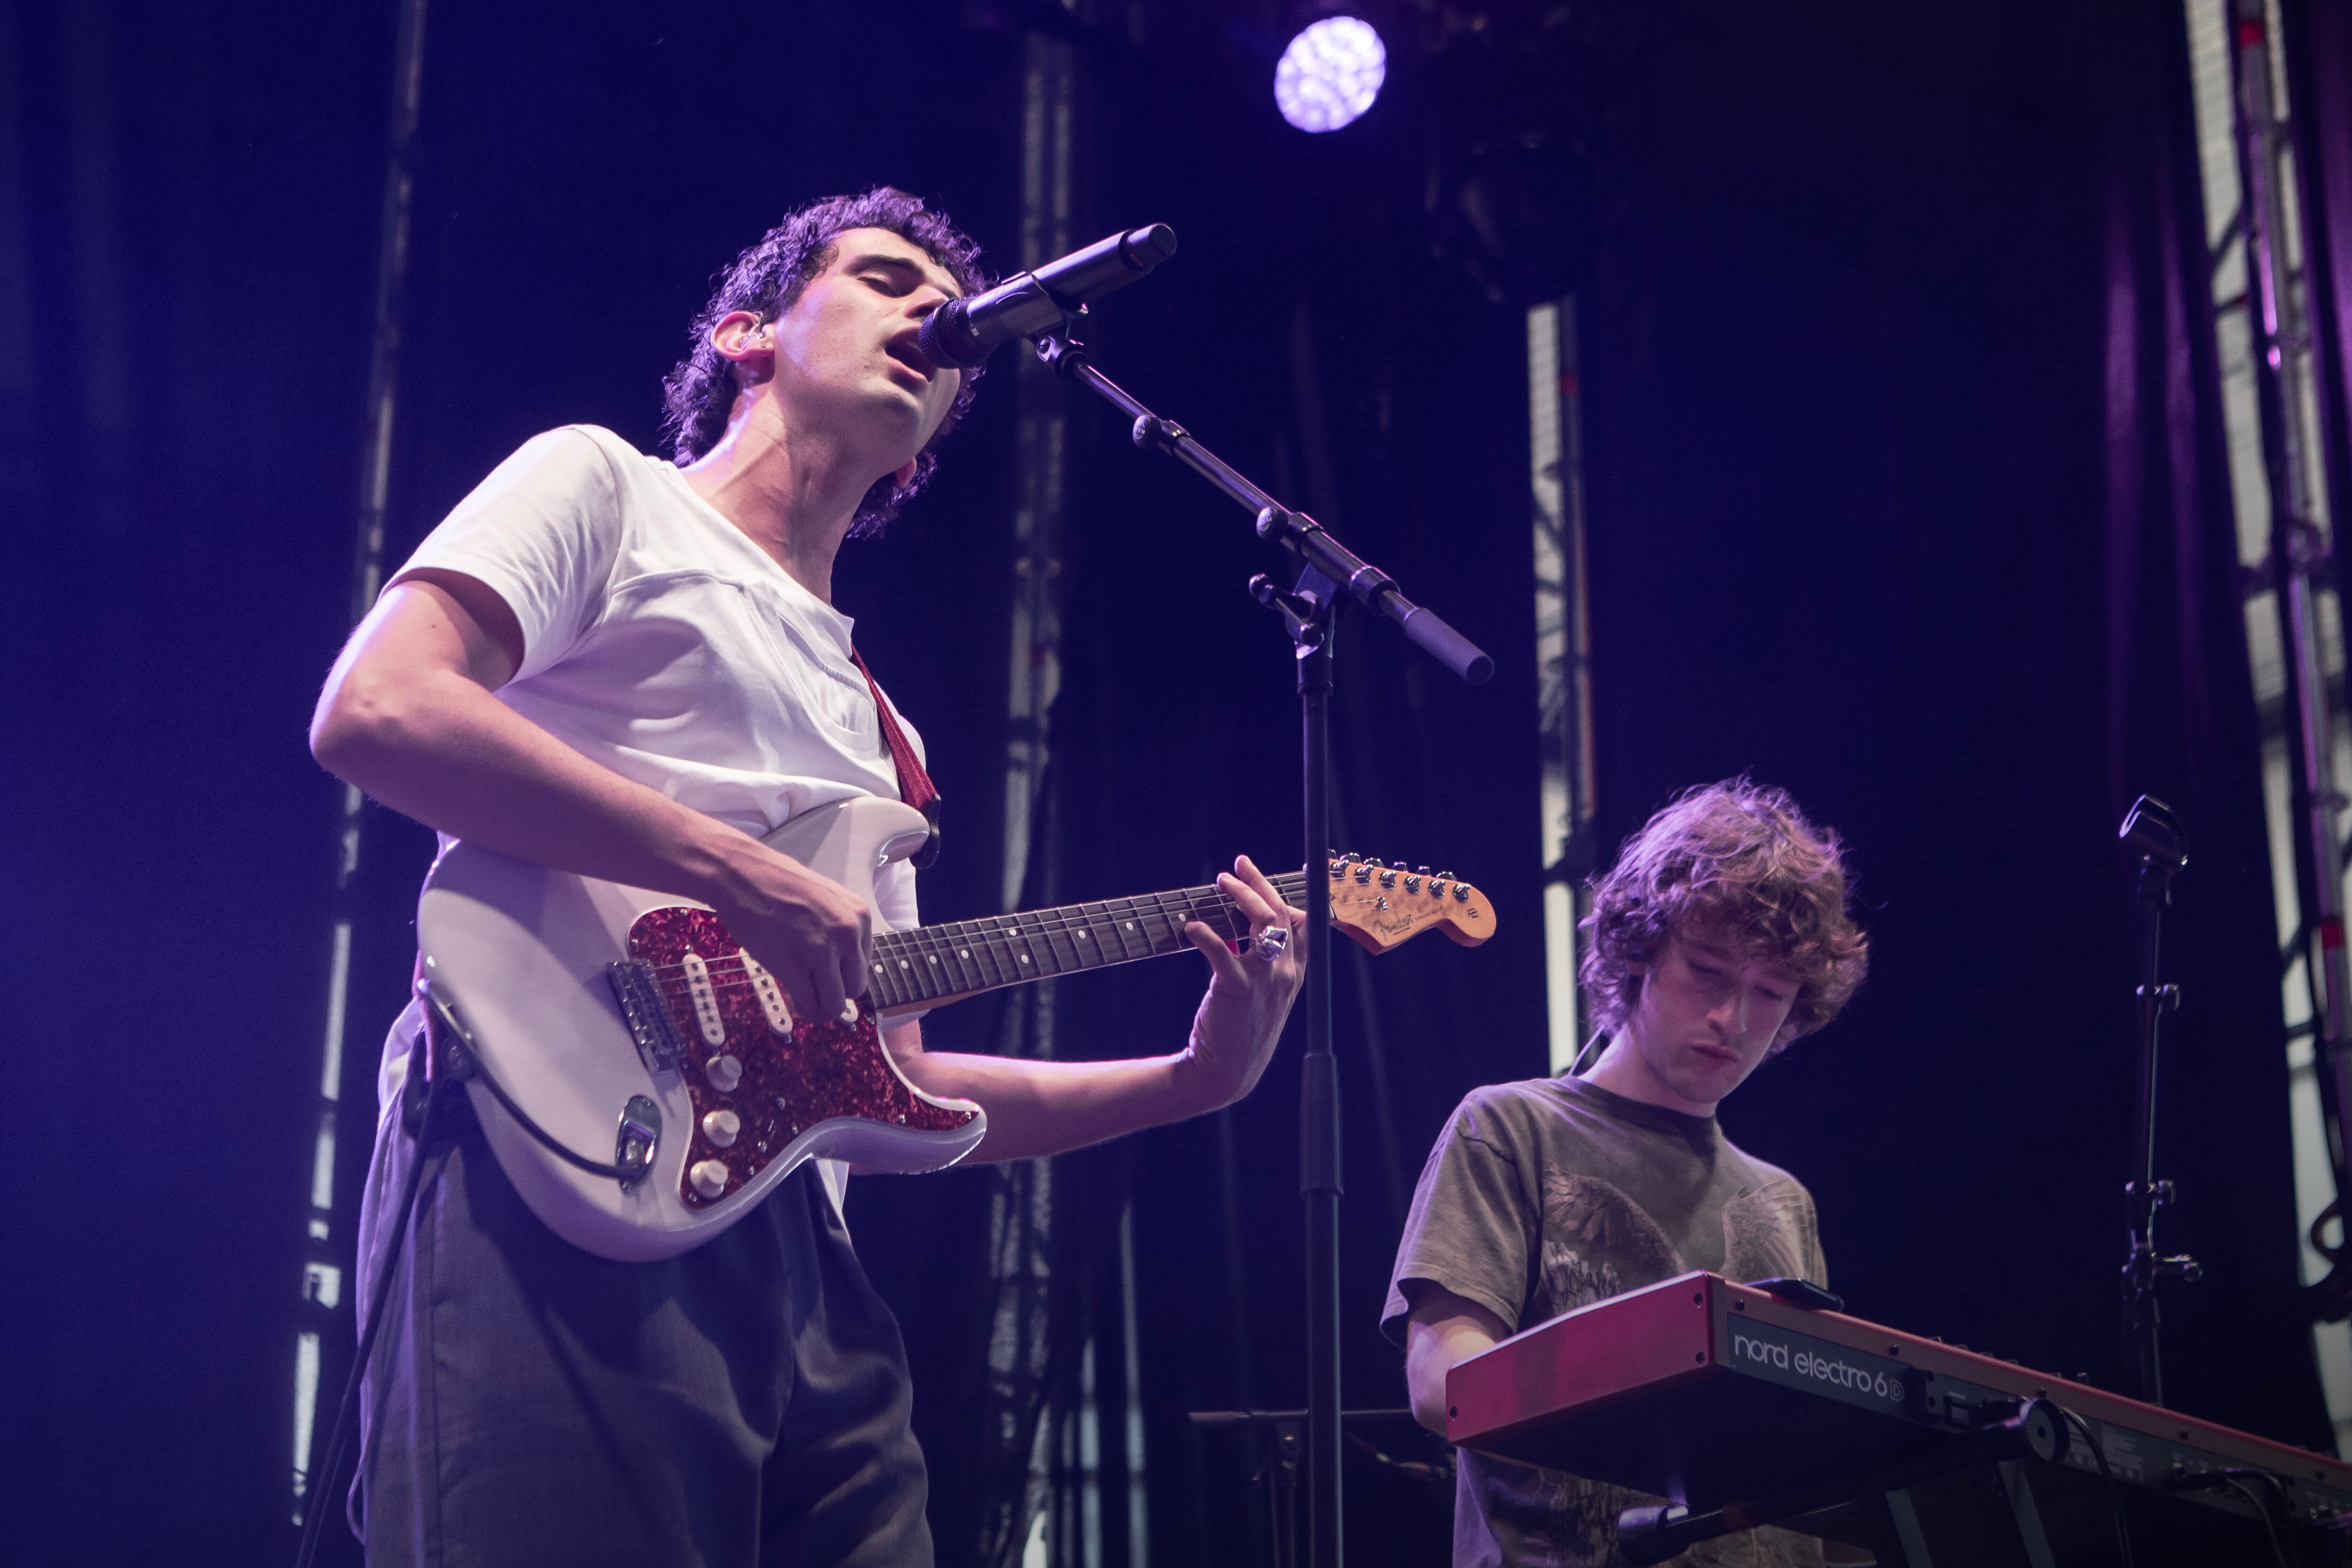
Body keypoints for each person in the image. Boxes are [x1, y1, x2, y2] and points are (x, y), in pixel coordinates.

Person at [309, 188, 1307, 1567]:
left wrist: (1195, 1079)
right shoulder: (608, 489)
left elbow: (900, 1075)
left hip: (799, 1254)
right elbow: (381, 708)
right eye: (885, 278)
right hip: (551, 1151)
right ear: (747, 333)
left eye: (943, 314)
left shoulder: (884, 729)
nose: (927, 318)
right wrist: (733, 873)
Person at [1383, 779, 1868, 1568]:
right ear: (1640, 949)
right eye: (1709, 972)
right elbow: (1444, 1383)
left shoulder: (1786, 1203)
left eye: (1770, 993)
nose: (1734, 1022)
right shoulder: (1511, 1128)